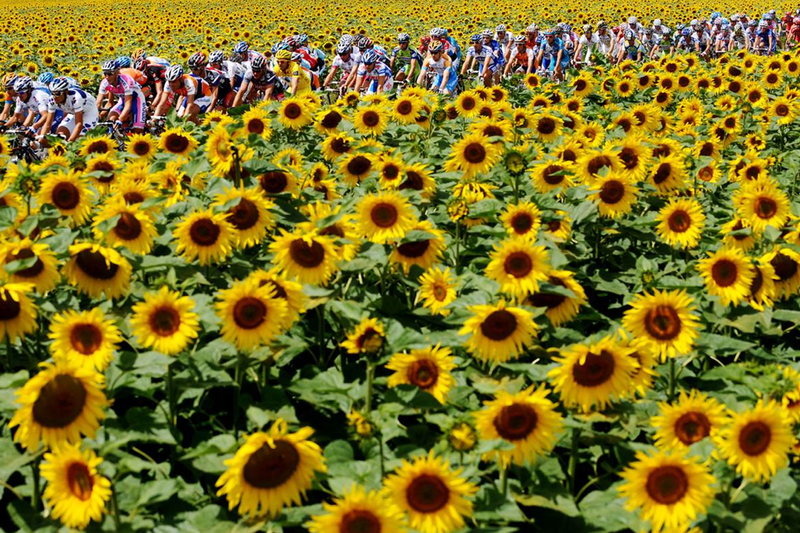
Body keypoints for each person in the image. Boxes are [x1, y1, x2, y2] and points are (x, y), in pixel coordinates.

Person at [96, 59, 147, 133]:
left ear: (117, 73)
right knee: (110, 121)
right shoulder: (104, 83)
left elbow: (128, 105)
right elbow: (98, 103)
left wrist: (120, 119)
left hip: (137, 99)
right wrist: (96, 116)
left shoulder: (126, 81)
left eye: (110, 74)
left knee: (137, 129)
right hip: (123, 100)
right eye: (105, 73)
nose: (107, 77)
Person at [50, 77, 98, 142]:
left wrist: (70, 142)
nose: (54, 97)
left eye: (57, 93)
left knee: (79, 141)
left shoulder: (76, 98)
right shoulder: (52, 100)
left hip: (89, 113)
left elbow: (79, 124)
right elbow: (47, 124)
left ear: (66, 91)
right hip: (73, 114)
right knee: (59, 137)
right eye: (52, 93)